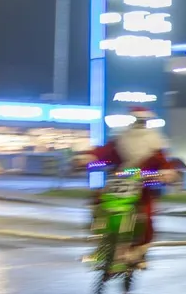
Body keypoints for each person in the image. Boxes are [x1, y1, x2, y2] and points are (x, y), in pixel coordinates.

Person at [74, 106, 179, 265]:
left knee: (145, 213)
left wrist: (167, 173)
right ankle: (99, 243)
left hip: (142, 184)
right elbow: (104, 153)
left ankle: (139, 250)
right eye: (137, 120)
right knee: (98, 203)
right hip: (119, 181)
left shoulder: (155, 143)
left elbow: (163, 162)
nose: (139, 124)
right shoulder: (121, 140)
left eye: (142, 121)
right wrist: (88, 158)